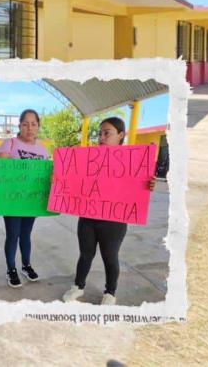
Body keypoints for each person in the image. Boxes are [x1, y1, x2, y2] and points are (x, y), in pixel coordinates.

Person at [62, 117, 156, 306]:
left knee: (110, 256)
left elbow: (136, 187)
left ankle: (110, 292)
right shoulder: (88, 159)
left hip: (114, 220)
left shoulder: (133, 163)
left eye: (107, 133)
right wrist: (62, 176)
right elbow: (74, 182)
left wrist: (148, 184)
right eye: (100, 133)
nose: (102, 138)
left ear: (121, 135)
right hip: (88, 217)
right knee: (85, 254)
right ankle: (78, 287)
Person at [0, 109, 48, 288]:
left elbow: (46, 178)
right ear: (19, 126)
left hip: (31, 201)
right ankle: (11, 269)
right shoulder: (9, 144)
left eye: (33, 124)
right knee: (13, 235)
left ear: (38, 126)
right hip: (12, 200)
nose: (29, 128)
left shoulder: (42, 150)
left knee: (26, 234)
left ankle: (26, 265)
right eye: (25, 124)